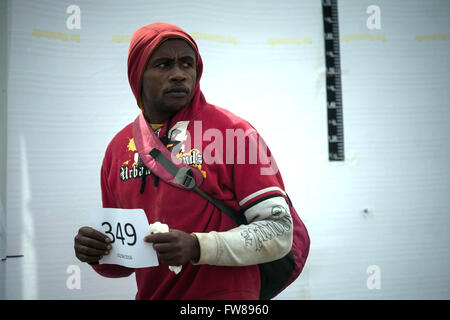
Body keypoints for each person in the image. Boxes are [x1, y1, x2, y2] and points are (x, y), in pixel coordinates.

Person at [74, 22, 309, 299]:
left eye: (187, 64)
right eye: (163, 65)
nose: (179, 75)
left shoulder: (234, 133)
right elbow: (123, 262)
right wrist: (97, 252)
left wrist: (198, 246)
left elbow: (279, 231)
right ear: (137, 74)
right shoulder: (117, 150)